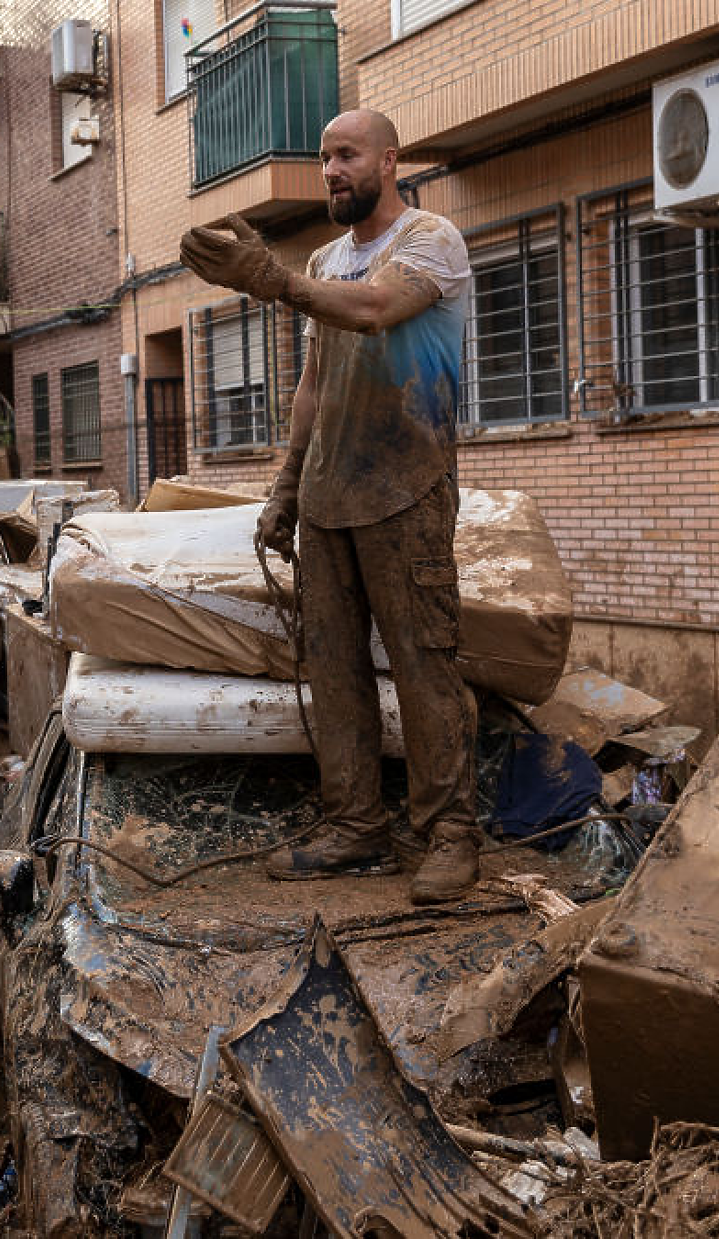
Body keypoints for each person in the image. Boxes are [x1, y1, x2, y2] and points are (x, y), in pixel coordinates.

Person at [179, 108, 479, 903]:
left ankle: (450, 834)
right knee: (336, 674)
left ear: (389, 160)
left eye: (346, 155)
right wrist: (285, 487)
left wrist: (273, 281)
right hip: (329, 497)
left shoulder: (431, 241)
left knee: (424, 666)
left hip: (406, 490)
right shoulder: (324, 256)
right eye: (323, 158)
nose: (332, 171)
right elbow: (313, 386)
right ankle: (357, 830)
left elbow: (378, 308)